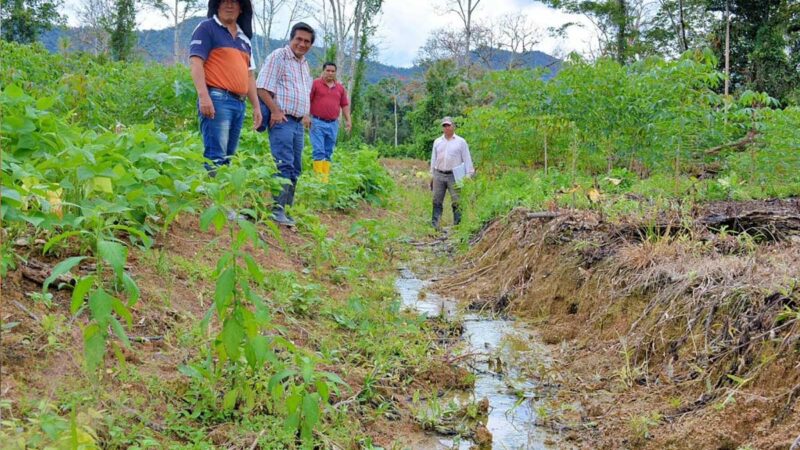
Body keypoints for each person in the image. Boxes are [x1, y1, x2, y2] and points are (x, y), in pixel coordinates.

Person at [189, 0, 262, 172]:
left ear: (241, 8)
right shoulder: (206, 28)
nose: (229, 5)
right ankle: (212, 188)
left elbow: (249, 75)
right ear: (217, 5)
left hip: (239, 104)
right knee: (216, 156)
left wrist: (257, 107)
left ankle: (222, 189)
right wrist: (203, 96)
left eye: (234, 2)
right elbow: (196, 63)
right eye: (225, 1)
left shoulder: (245, 39)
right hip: (217, 99)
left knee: (228, 157)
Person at [256, 22, 314, 226]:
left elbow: (302, 92)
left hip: (298, 123)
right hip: (283, 121)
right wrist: (275, 111)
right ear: (291, 39)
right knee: (284, 164)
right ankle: (277, 210)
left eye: (307, 41)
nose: (302, 44)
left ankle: (286, 211)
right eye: (299, 39)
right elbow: (261, 87)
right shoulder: (279, 56)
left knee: (296, 167)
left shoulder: (304, 64)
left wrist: (305, 114)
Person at [309, 62, 352, 183]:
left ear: (335, 73)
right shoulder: (315, 84)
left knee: (328, 152)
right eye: (328, 70)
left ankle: (325, 180)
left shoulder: (340, 88)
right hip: (317, 122)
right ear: (323, 71)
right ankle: (318, 181)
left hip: (333, 124)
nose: (330, 73)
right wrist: (306, 116)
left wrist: (348, 120)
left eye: (333, 71)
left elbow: (344, 105)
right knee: (319, 151)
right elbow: (308, 100)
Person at [430, 116, 475, 230]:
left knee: (457, 201)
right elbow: (433, 159)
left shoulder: (461, 142)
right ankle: (435, 225)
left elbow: (467, 158)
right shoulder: (437, 142)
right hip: (439, 174)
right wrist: (432, 175)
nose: (446, 128)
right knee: (436, 200)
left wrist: (468, 174)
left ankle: (457, 225)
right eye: (444, 126)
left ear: (453, 126)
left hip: (454, 175)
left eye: (448, 125)